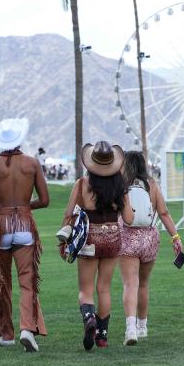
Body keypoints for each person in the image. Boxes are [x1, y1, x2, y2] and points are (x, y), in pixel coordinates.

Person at [0, 118, 49, 352]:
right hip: (25, 225)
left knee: (3, 281)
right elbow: (45, 200)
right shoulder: (32, 163)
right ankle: (27, 328)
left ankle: (7, 334)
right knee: (27, 280)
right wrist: (24, 207)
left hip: (1, 225)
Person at [62, 141, 134, 350]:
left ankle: (89, 319)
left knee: (85, 289)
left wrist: (64, 240)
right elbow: (129, 219)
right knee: (104, 288)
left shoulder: (83, 184)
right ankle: (102, 336)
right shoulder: (121, 185)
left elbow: (69, 214)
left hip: (89, 239)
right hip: (112, 239)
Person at [119, 151, 183, 345]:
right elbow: (163, 213)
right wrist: (176, 237)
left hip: (127, 238)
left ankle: (130, 329)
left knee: (130, 284)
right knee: (144, 284)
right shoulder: (152, 185)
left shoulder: (122, 186)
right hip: (149, 238)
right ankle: (142, 326)